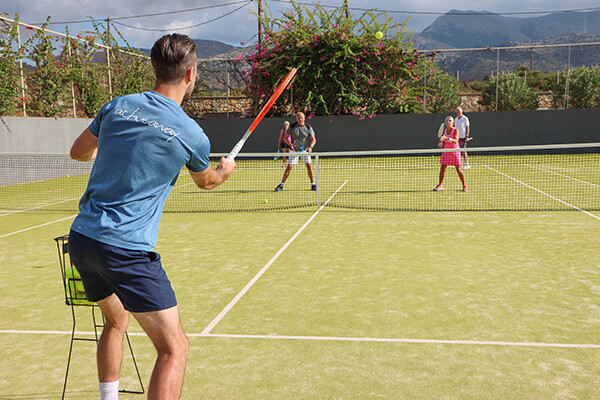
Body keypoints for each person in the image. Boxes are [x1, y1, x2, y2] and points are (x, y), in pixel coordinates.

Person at [67, 33, 235, 400]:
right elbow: (206, 183)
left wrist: (117, 154)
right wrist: (224, 171)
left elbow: (78, 152)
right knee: (174, 348)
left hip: (81, 240)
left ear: (154, 67)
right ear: (190, 75)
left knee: (116, 321)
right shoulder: (193, 134)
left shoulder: (117, 106)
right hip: (124, 250)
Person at [274, 111, 317, 192]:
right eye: (298, 118)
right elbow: (285, 138)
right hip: (293, 150)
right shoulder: (292, 126)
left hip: (305, 150)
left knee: (309, 166)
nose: (300, 119)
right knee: (289, 167)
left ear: (304, 118)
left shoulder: (308, 127)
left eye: (301, 118)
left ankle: (313, 184)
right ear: (296, 118)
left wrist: (311, 147)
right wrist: (290, 145)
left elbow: (313, 139)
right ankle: (281, 185)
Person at [434, 116, 467, 192]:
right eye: (447, 120)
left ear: (453, 122)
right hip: (446, 152)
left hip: (455, 152)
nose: (448, 121)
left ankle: (464, 185)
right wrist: (440, 143)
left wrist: (446, 138)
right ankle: (440, 185)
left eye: (450, 120)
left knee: (458, 169)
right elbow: (441, 142)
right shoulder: (444, 131)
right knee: (442, 168)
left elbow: (455, 141)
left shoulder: (455, 130)